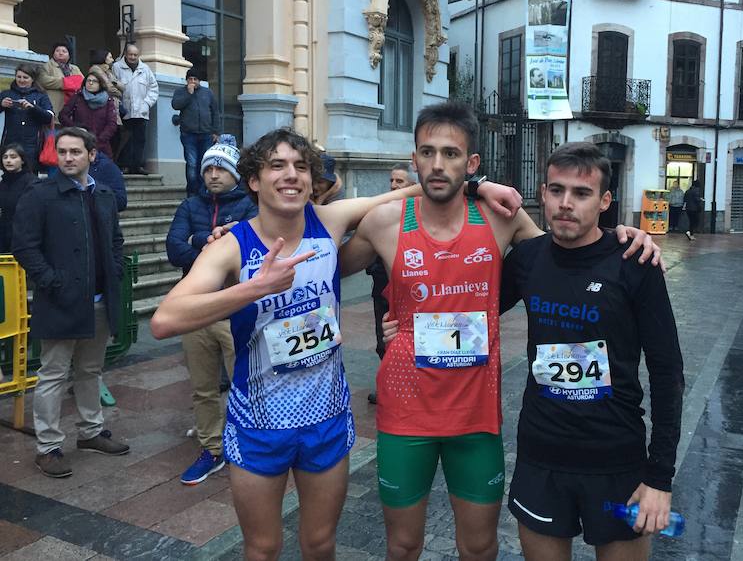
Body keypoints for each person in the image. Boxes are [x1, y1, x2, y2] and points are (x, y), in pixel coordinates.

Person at [150, 127, 522, 561]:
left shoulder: (329, 220)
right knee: (263, 548)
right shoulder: (233, 246)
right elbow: (163, 321)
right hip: (258, 424)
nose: (291, 176)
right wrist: (253, 288)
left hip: (326, 419)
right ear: (253, 180)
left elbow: (419, 190)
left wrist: (481, 184)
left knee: (320, 543)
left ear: (312, 180)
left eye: (301, 167)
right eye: (277, 166)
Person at [338, 102, 660, 561]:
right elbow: (322, 261)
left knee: (480, 547)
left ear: (471, 163)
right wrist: (252, 232)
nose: (436, 164)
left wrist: (625, 235)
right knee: (403, 545)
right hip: (406, 411)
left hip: (475, 416)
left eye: (450, 154)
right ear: (413, 159)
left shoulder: (500, 218)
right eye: (426, 152)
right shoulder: (385, 223)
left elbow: (570, 249)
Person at [498, 142, 683, 561]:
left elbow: (667, 373)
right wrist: (399, 321)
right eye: (557, 190)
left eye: (581, 194)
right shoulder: (527, 259)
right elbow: (473, 308)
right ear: (542, 194)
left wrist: (660, 478)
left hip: (616, 461)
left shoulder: (635, 263)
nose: (566, 204)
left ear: (604, 202)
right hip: (541, 457)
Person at [12, 127, 129, 479]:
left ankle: (91, 431)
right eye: (62, 151)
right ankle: (48, 447)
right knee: (52, 373)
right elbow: (25, 247)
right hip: (60, 300)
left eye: (75, 152)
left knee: (90, 370)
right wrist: (51, 281)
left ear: (91, 155)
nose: (67, 158)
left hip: (98, 299)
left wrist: (116, 271)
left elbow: (115, 240)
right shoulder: (41, 194)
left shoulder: (104, 194)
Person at [166, 135, 257, 485]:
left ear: (236, 173)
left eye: (221, 168)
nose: (214, 174)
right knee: (202, 387)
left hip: (236, 311)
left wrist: (198, 242)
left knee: (244, 382)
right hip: (196, 311)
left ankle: (246, 442)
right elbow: (174, 248)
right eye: (209, 168)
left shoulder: (251, 206)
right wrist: (211, 242)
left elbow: (247, 253)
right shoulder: (190, 206)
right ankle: (212, 448)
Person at [365, 162, 416, 404]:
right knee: (382, 339)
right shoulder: (381, 212)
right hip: (382, 289)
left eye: (400, 182)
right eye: (392, 181)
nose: (394, 186)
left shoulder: (416, 215)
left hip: (410, 294)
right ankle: (387, 385)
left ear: (413, 187)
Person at [171, 68, 220, 196]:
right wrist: (189, 94)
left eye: (195, 79)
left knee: (204, 164)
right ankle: (192, 193)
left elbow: (215, 112)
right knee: (192, 164)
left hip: (206, 134)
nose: (192, 81)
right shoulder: (181, 92)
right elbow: (176, 105)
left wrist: (216, 131)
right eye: (190, 79)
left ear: (200, 81)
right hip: (189, 134)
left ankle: (203, 192)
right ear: (186, 80)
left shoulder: (208, 93)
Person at [113, 43, 159, 175]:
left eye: (135, 55)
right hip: (124, 110)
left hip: (141, 111)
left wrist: (146, 104)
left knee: (140, 139)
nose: (132, 57)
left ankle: (138, 166)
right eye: (130, 54)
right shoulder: (117, 67)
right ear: (126, 54)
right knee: (125, 139)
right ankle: (125, 165)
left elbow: (153, 89)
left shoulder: (145, 69)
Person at [0, 64, 54, 171]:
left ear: (32, 79)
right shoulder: (6, 94)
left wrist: (32, 108)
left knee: (30, 177)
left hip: (33, 145)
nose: (21, 80)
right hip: (10, 143)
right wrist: (1, 105)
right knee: (9, 176)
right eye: (19, 77)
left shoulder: (41, 96)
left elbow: (49, 117)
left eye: (25, 77)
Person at [59, 73, 119, 158]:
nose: (90, 83)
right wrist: (76, 129)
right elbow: (63, 115)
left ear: (100, 84)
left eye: (94, 81)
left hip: (101, 145)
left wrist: (101, 139)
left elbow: (112, 123)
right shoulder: (78, 96)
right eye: (88, 81)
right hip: (79, 141)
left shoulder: (108, 100)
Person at [0, 143, 36, 251]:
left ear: (22, 160)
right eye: (5, 157)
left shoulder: (32, 182)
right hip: (4, 235)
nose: (8, 160)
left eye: (13, 157)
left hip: (24, 236)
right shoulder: (3, 183)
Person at [38, 41, 83, 114]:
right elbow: (43, 81)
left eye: (64, 51)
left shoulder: (75, 68)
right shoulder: (46, 66)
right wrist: (65, 83)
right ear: (53, 53)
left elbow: (82, 82)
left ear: (69, 55)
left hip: (73, 105)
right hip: (54, 104)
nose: (60, 53)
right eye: (57, 51)